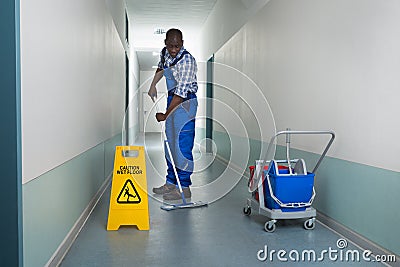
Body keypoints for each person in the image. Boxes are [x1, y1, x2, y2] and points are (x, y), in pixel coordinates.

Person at [148, 28, 198, 200]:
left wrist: (165, 115)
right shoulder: (165, 53)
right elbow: (161, 68)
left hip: (185, 102)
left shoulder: (187, 61)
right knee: (169, 144)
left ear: (182, 43)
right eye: (171, 46)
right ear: (166, 44)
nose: (174, 50)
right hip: (173, 98)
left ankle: (183, 187)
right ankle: (171, 182)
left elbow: (181, 94)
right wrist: (153, 85)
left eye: (177, 46)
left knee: (182, 145)